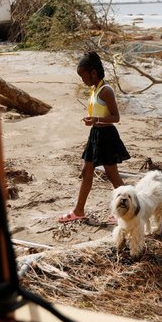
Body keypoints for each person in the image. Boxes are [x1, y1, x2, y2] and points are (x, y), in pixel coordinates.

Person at [59, 51, 131, 223]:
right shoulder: (94, 90)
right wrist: (93, 121)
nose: (82, 80)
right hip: (96, 134)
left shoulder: (106, 91)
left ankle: (127, 210)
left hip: (107, 136)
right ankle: (79, 210)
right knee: (87, 170)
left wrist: (96, 120)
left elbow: (116, 117)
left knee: (112, 175)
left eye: (83, 76)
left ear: (93, 72)